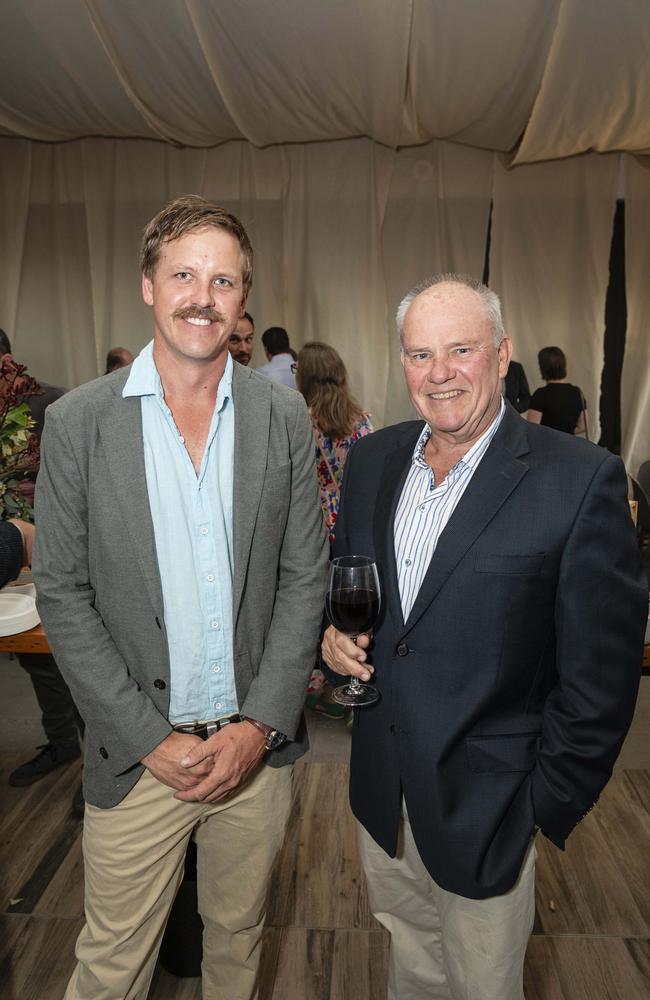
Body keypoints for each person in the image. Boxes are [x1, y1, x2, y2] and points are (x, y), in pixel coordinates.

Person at [33, 195, 329, 1000]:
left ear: (243, 301)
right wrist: (147, 738)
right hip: (139, 762)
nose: (203, 295)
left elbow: (306, 576)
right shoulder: (77, 423)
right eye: (184, 274)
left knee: (238, 944)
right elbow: (61, 594)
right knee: (112, 967)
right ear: (148, 286)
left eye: (224, 279)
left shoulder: (281, 416)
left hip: (252, 759)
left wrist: (259, 726)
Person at [322, 273, 646, 1000]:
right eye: (418, 355)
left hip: (490, 808)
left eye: (459, 350)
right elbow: (350, 593)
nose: (438, 374)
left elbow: (602, 674)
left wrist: (542, 801)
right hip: (382, 793)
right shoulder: (373, 462)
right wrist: (333, 640)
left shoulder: (579, 481)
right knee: (410, 970)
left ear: (502, 355)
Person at [0, 328, 84, 790]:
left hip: (56, 550)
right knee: (36, 659)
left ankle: (101, 768)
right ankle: (62, 742)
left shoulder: (55, 404)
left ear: (8, 361)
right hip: (11, 556)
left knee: (77, 654)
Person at [295, 341, 373, 717]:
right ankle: (348, 683)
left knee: (313, 606)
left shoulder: (299, 421)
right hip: (354, 520)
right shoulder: (362, 419)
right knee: (349, 609)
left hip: (312, 525)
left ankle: (320, 683)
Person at [527, 345, 587, 435]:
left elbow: (532, 428)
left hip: (547, 446)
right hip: (570, 445)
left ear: (543, 368)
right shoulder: (577, 392)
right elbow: (583, 426)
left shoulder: (541, 394)